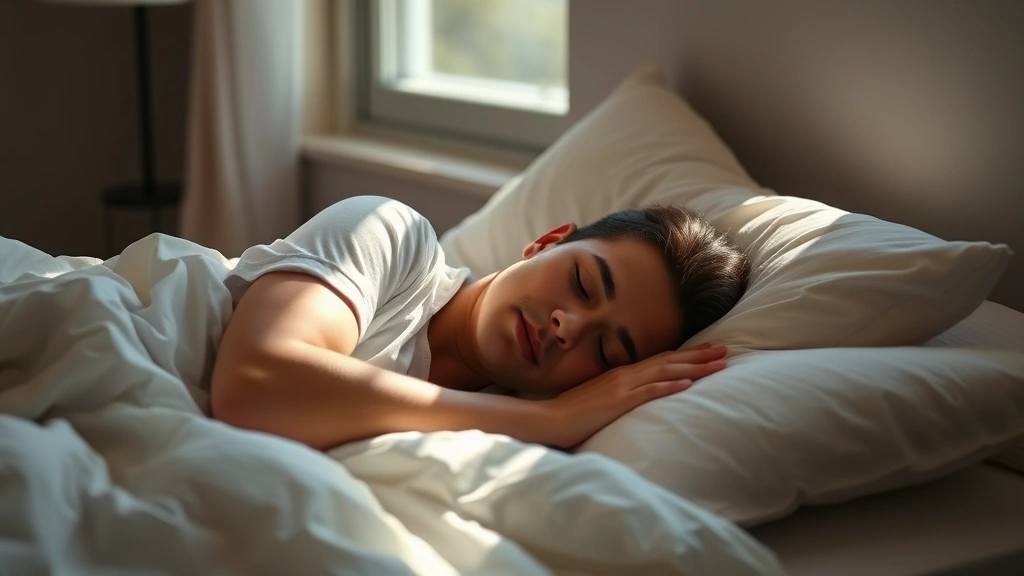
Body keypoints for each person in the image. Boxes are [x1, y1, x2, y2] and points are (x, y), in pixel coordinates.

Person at [211, 195, 749, 451]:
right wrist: (554, 419)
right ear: (547, 242)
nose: (569, 325)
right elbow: (253, 384)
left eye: (607, 352)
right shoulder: (393, 237)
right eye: (583, 282)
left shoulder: (505, 433)